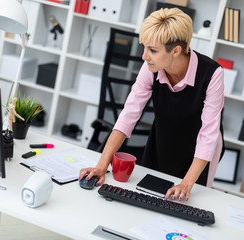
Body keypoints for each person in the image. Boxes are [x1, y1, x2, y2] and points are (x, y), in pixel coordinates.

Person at [79, 8, 224, 201]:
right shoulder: (151, 66)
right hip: (162, 137)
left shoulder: (212, 74)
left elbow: (208, 136)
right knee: (146, 196)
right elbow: (129, 114)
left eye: (152, 50)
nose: (144, 56)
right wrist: (101, 166)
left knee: (186, 202)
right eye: (144, 47)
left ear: (176, 50)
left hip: (200, 146)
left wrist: (186, 183)